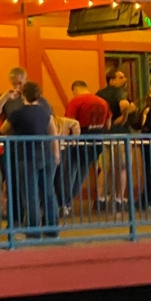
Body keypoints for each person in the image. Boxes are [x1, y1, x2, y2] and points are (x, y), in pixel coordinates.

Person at [2, 82, 60, 238]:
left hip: (26, 156)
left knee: (30, 194)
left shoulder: (18, 113)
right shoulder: (45, 111)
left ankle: (33, 230)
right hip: (46, 153)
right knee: (48, 192)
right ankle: (52, 228)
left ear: (23, 95)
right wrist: (56, 152)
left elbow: (3, 128)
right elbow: (52, 130)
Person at [56, 80, 110, 214]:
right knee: (81, 174)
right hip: (97, 141)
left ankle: (63, 204)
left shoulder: (76, 101)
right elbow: (108, 124)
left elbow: (69, 122)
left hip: (78, 141)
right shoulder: (103, 102)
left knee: (69, 172)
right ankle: (68, 203)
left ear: (75, 90)